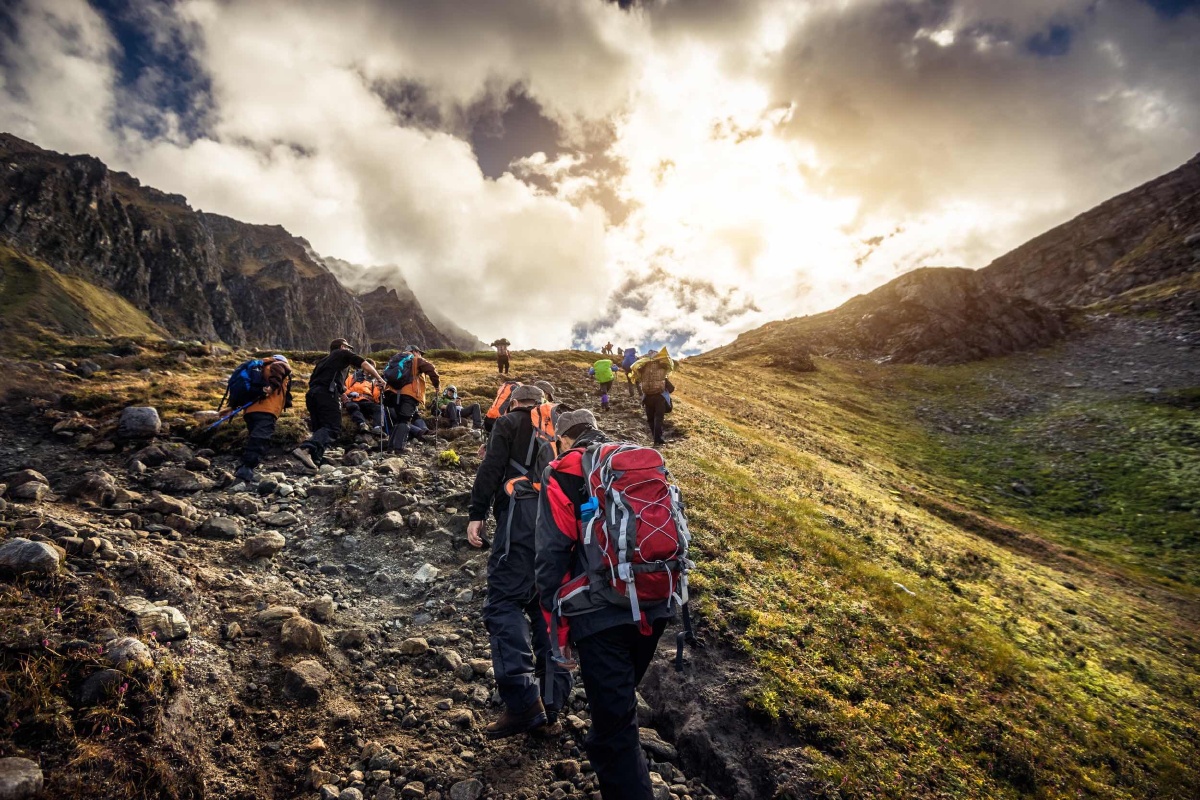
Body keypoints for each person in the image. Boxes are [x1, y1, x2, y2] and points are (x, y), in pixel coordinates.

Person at [534, 410, 674, 800]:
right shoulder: (633, 461)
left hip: (600, 615)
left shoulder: (563, 471)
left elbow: (552, 558)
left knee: (614, 734)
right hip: (655, 601)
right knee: (618, 708)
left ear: (562, 439)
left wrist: (556, 632)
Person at [466, 384, 570, 738]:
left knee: (503, 602)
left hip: (519, 523)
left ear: (513, 402)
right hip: (559, 527)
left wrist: (476, 513)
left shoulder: (508, 423)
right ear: (541, 403)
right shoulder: (559, 425)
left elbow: (492, 468)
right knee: (546, 608)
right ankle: (551, 704)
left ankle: (524, 702)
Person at [293, 340, 382, 470]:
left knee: (320, 428)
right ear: (342, 347)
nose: (349, 350)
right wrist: (380, 379)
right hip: (327, 395)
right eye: (348, 348)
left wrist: (343, 395)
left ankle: (314, 463)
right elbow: (365, 364)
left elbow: (320, 380)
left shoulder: (324, 361)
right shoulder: (343, 354)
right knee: (332, 427)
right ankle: (305, 448)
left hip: (312, 395)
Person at [235, 355, 293, 483]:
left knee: (253, 436)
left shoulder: (261, 369)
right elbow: (278, 373)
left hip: (250, 411)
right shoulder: (278, 364)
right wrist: (272, 387)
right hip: (266, 410)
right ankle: (246, 470)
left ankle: (244, 467)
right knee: (260, 437)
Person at [384, 344, 440, 453]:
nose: (420, 355)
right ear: (414, 351)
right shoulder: (415, 360)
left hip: (393, 394)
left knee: (399, 420)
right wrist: (437, 385)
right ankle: (399, 448)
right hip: (408, 394)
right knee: (405, 420)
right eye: (419, 352)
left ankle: (390, 447)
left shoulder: (395, 360)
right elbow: (431, 369)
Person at [632, 348, 675, 447]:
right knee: (658, 418)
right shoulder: (662, 366)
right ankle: (658, 439)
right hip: (659, 396)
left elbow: (637, 377)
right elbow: (671, 387)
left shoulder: (642, 368)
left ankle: (655, 438)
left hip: (647, 397)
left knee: (650, 419)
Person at [343, 359, 383, 432]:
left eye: (372, 368)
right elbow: (344, 388)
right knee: (353, 407)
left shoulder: (374, 381)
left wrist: (380, 391)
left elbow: (376, 396)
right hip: (353, 399)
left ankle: (377, 427)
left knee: (379, 408)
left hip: (367, 401)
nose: (370, 369)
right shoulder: (352, 377)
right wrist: (350, 393)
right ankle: (362, 424)